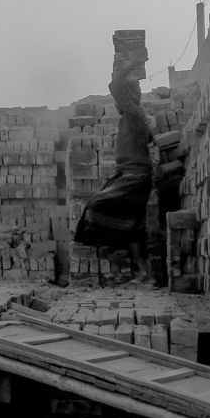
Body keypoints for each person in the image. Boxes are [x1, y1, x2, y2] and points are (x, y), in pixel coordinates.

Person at [73, 57, 155, 284]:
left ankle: (133, 270)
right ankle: (144, 274)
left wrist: (130, 64)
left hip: (134, 176)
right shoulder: (132, 116)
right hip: (133, 175)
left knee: (94, 207)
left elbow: (114, 86)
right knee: (133, 227)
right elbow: (148, 139)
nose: (116, 103)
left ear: (127, 96)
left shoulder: (131, 110)